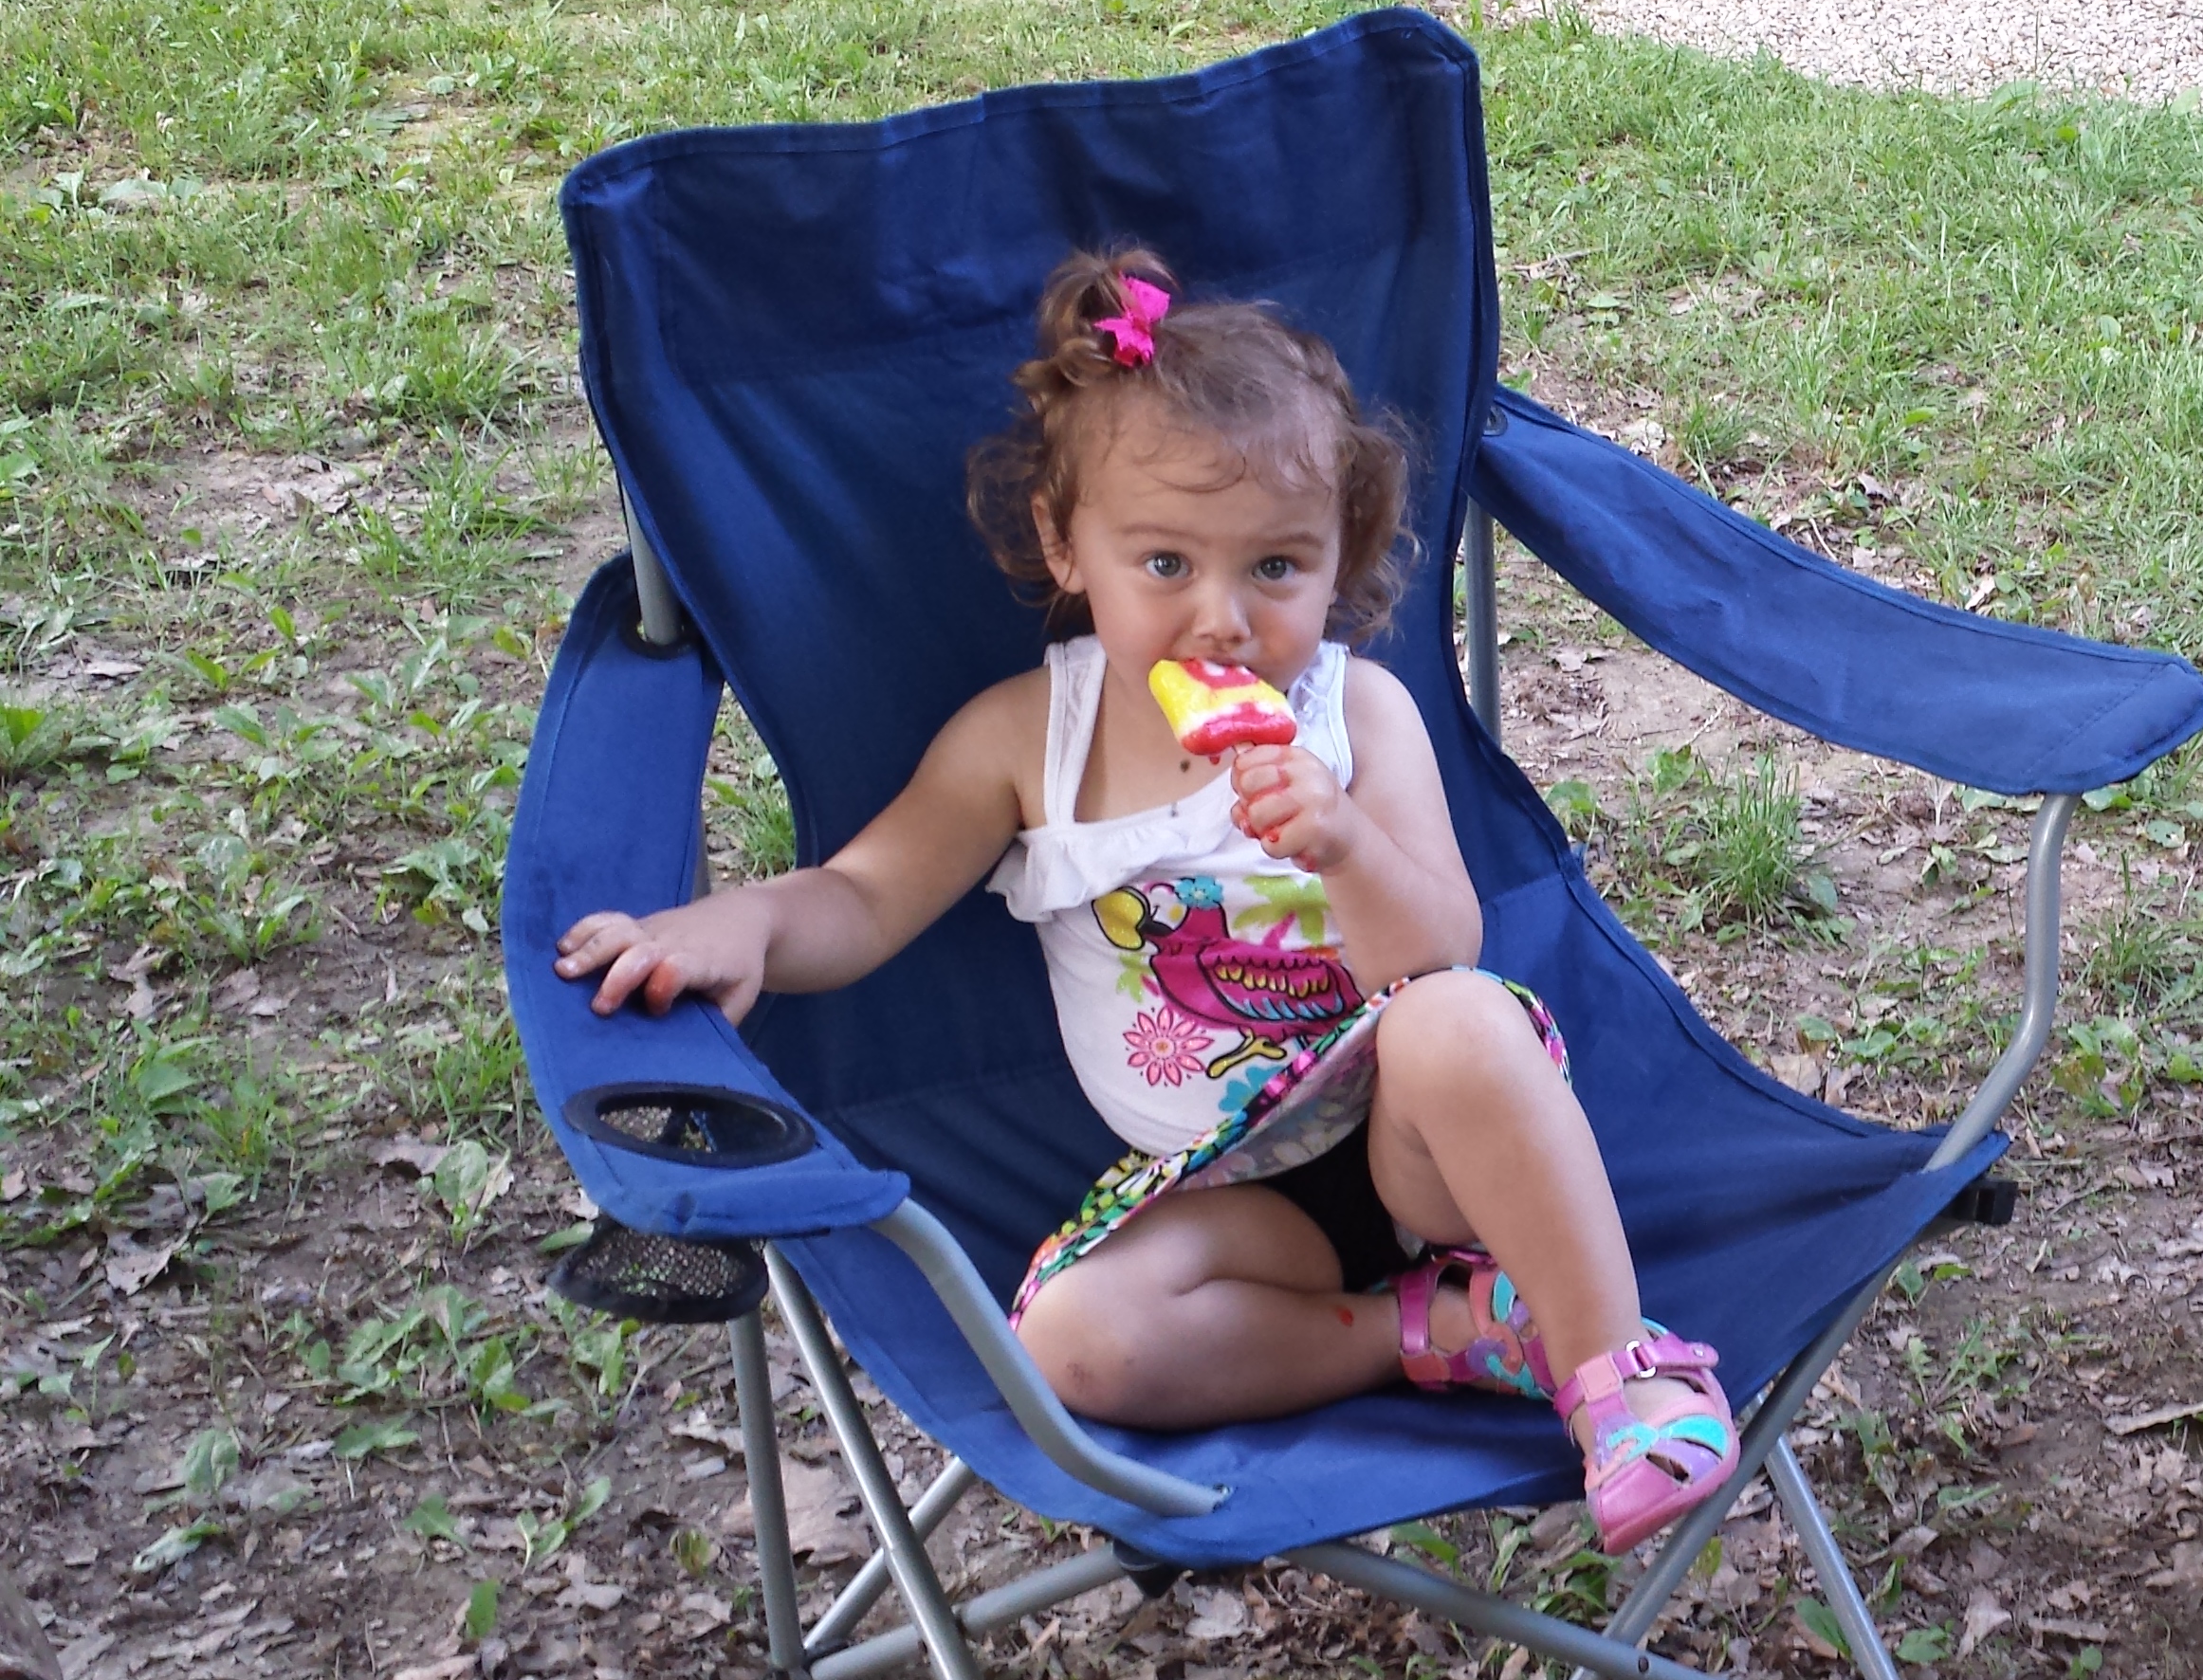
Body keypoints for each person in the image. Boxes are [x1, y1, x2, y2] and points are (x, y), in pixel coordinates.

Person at [551, 247, 1734, 1556]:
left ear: (1338, 556)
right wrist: (753, 925)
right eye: (1165, 561)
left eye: (1276, 566)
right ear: (1068, 546)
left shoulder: (1356, 712)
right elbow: (867, 893)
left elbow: (1441, 950)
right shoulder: (1029, 740)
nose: (1221, 619)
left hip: (1421, 1148)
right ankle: (1444, 1329)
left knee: (1457, 1021)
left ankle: (1618, 1371)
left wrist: (1342, 842)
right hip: (1229, 1195)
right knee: (1073, 1342)